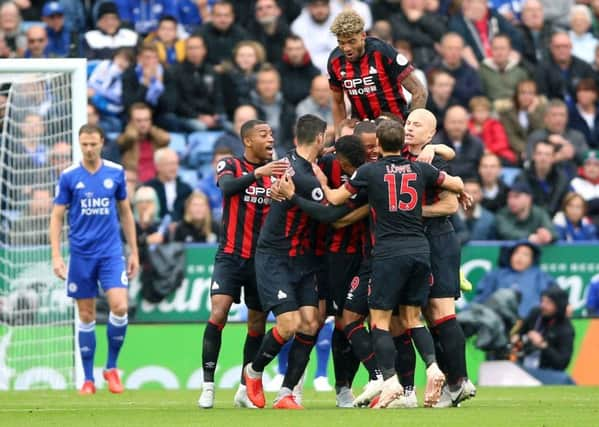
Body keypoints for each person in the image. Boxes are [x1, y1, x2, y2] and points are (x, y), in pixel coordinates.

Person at [315, 119, 465, 408]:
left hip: (387, 253)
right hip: (421, 252)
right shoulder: (421, 168)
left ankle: (390, 382)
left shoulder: (369, 171)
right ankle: (433, 367)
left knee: (380, 322)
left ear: (380, 145)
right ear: (403, 144)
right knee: (412, 320)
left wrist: (321, 181)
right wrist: (460, 187)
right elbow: (455, 184)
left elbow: (334, 198)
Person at [243, 115, 350, 410]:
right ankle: (253, 371)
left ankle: (286, 393)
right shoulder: (303, 177)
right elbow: (328, 215)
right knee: (289, 325)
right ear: (320, 138)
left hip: (302, 259)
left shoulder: (289, 161)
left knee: (311, 323)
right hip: (276, 257)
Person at [198, 120, 288, 409]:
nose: (270, 138)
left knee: (257, 323)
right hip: (230, 255)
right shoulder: (230, 165)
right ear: (248, 141)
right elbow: (227, 188)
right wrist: (257, 174)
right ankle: (208, 385)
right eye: (264, 135)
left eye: (272, 134)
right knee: (219, 311)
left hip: (261, 260)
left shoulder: (278, 174)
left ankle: (243, 388)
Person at [50, 124, 139, 395]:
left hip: (111, 253)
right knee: (86, 314)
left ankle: (111, 368)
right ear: (80, 145)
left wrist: (133, 250)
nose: (88, 149)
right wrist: (56, 255)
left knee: (120, 307)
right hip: (81, 255)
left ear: (102, 143)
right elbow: (56, 216)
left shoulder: (115, 173)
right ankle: (88, 379)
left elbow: (125, 213)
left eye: (93, 144)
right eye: (84, 145)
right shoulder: (69, 176)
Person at [401, 109, 476, 408]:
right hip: (418, 242)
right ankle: (454, 382)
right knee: (432, 316)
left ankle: (459, 381)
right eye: (407, 123)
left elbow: (448, 207)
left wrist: (404, 213)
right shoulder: (401, 156)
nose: (409, 128)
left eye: (416, 125)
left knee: (442, 312)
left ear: (430, 134)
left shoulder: (436, 160)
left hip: (438, 240)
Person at [327, 10, 427, 130]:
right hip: (361, 129)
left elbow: (419, 91)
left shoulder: (382, 51)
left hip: (394, 127)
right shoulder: (335, 61)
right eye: (341, 43)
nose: (347, 48)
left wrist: (411, 129)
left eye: (351, 41)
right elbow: (337, 103)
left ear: (363, 35)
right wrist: (339, 137)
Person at [474, 241, 555, 318]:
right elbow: (482, 298)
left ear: (532, 260)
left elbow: (556, 296)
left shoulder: (540, 276)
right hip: (499, 321)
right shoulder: (496, 274)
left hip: (530, 322)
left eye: (525, 255)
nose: (520, 257)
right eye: (516, 253)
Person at [512, 286, 575, 385]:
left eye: (548, 303)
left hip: (546, 373)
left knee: (564, 379)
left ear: (559, 305)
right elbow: (518, 334)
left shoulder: (566, 329)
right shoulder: (535, 313)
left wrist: (542, 345)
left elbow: (562, 363)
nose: (543, 305)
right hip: (522, 367)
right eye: (542, 301)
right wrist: (516, 341)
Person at [117, 103, 170, 183]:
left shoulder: (155, 140)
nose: (143, 124)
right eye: (139, 121)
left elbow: (166, 139)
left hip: (157, 183)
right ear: (130, 122)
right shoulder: (125, 140)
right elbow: (124, 140)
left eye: (146, 120)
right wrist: (131, 130)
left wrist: (151, 129)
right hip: (135, 183)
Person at [515, 140, 570, 216]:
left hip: (554, 219)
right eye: (539, 154)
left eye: (547, 154)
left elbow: (559, 204)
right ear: (534, 156)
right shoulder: (522, 177)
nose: (543, 158)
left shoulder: (561, 179)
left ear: (553, 158)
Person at [498, 79, 547, 163]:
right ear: (517, 95)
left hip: (539, 151)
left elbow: (541, 132)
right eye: (523, 93)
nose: (526, 97)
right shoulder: (507, 113)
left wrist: (531, 113)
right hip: (517, 152)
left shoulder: (542, 111)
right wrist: (526, 150)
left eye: (530, 93)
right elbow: (511, 137)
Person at [432, 105, 484, 179]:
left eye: (460, 122)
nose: (457, 126)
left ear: (467, 123)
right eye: (453, 122)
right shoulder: (435, 144)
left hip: (471, 186)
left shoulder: (477, 144)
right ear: (445, 122)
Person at [144, 147, 192, 223]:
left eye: (176, 163)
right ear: (158, 166)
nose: (174, 168)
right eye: (170, 164)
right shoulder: (148, 188)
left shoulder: (186, 189)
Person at [478, 34, 529, 103]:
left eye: (503, 48)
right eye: (496, 48)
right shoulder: (482, 72)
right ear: (491, 50)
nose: (499, 52)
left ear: (510, 50)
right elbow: (479, 98)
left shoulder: (520, 72)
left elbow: (526, 94)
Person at [291, 0, 337, 75]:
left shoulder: (339, 21)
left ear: (329, 6)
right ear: (308, 7)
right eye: (315, 6)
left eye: (323, 5)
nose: (320, 10)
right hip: (309, 73)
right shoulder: (298, 25)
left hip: (338, 71)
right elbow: (304, 56)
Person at [468, 96, 517, 165]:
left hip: (497, 154)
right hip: (476, 156)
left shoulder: (494, 124)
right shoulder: (467, 125)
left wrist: (489, 150)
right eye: (478, 111)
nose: (481, 114)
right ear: (472, 112)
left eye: (484, 111)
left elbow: (502, 143)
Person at [277, 35, 320, 107]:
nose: (294, 53)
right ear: (285, 50)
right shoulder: (277, 71)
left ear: (304, 50)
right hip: (283, 108)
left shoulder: (314, 72)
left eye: (298, 49)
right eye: (290, 49)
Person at [570, 150, 599, 227]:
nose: (592, 168)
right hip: (583, 223)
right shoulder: (575, 183)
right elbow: (575, 207)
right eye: (588, 164)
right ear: (582, 167)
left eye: (596, 165)